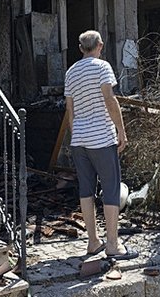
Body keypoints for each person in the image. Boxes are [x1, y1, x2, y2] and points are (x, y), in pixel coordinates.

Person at [62, 30, 134, 259]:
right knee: (111, 187)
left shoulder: (71, 72)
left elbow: (69, 110)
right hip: (101, 138)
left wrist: (77, 135)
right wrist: (121, 130)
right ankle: (112, 244)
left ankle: (93, 242)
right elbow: (109, 99)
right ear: (100, 45)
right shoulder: (102, 67)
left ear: (81, 48)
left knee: (86, 189)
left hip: (79, 139)